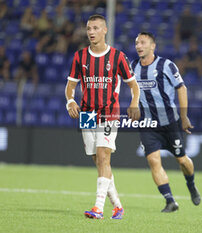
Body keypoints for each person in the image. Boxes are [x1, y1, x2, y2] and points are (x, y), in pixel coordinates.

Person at [65, 14, 140, 219]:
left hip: (109, 113)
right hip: (87, 113)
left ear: (105, 30)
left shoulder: (118, 57)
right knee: (99, 161)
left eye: (96, 28)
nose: (91, 32)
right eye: (89, 28)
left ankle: (98, 208)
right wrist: (70, 101)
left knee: (104, 155)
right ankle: (117, 206)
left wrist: (134, 102)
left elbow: (133, 85)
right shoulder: (80, 57)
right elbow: (70, 85)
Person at [131, 32, 201, 212]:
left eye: (143, 42)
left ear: (153, 46)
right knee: (154, 161)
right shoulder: (132, 67)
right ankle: (170, 201)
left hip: (169, 123)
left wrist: (184, 116)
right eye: (137, 42)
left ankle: (191, 184)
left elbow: (181, 88)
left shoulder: (166, 65)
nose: (139, 46)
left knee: (182, 161)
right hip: (147, 124)